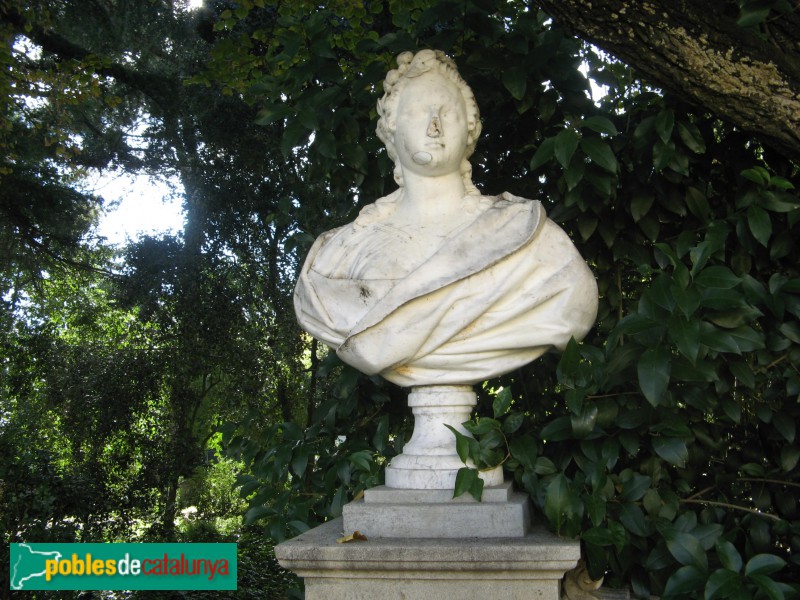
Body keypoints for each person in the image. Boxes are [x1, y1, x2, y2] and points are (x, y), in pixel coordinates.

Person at [294, 49, 598, 388]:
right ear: (391, 130)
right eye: (418, 112)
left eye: (447, 113)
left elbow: (576, 306)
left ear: (470, 130)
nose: (434, 126)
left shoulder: (532, 239)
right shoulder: (337, 254)